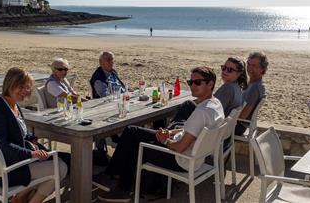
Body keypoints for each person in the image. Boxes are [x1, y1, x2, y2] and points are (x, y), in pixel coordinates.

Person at [95, 67, 224, 202]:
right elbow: (191, 130)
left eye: (197, 82)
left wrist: (164, 141)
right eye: (190, 82)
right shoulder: (215, 105)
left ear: (210, 84)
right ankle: (111, 173)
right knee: (131, 131)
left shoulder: (201, 112)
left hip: (180, 159)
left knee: (136, 147)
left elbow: (180, 147)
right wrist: (169, 132)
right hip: (194, 156)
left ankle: (122, 189)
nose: (192, 86)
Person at [0, 67, 68, 203]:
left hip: (15, 162)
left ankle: (19, 197)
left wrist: (31, 138)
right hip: (2, 169)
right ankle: (25, 198)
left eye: (27, 88)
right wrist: (31, 154)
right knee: (60, 168)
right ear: (10, 84)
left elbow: (20, 133)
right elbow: (1, 146)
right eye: (21, 87)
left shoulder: (13, 104)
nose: (25, 91)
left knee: (58, 162)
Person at [235, 52, 268, 136]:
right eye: (248, 64)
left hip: (239, 126)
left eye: (254, 66)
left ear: (262, 69)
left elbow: (243, 115)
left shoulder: (255, 87)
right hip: (240, 124)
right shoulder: (254, 83)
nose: (249, 68)